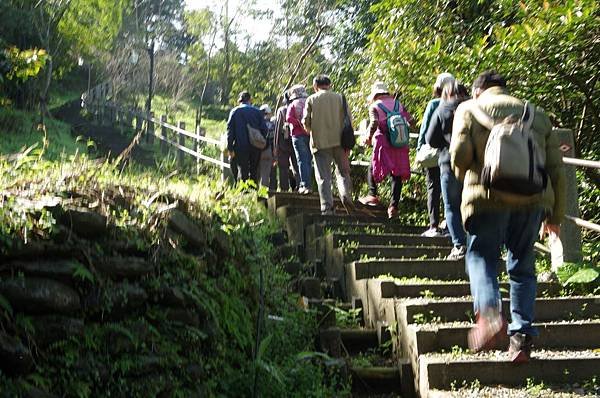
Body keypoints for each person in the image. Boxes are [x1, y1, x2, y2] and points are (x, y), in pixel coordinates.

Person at [450, 70, 566, 362]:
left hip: (486, 200)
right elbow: (557, 170)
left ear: (477, 91)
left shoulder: (468, 109)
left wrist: (465, 172)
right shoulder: (536, 115)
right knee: (523, 267)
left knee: (481, 257)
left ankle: (489, 313)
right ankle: (521, 339)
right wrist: (556, 216)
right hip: (531, 202)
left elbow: (460, 157)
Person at [426, 80, 469, 260]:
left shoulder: (442, 109)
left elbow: (430, 138)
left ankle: (459, 244)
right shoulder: (472, 108)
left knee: (451, 206)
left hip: (448, 163)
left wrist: (445, 141)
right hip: (471, 164)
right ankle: (480, 244)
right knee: (474, 205)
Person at [358, 81, 413, 218]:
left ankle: (372, 195)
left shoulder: (375, 106)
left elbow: (374, 123)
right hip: (399, 143)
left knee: (373, 167)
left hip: (383, 142)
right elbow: (411, 120)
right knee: (397, 174)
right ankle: (394, 206)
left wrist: (368, 136)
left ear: (375, 94)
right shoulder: (398, 104)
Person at [302, 74, 354, 215]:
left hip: (320, 143)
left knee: (323, 176)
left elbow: (306, 121)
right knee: (343, 172)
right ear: (329, 85)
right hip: (340, 142)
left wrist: (311, 130)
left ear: (315, 86)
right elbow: (349, 119)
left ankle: (327, 208)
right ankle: (345, 195)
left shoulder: (311, 99)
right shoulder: (340, 98)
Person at [418, 73, 455, 237]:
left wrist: (420, 149)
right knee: (452, 191)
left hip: (435, 153)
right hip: (454, 154)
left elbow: (425, 130)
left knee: (433, 187)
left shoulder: (434, 104)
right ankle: (450, 226)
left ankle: (434, 226)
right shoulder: (461, 104)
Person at [226, 91, 268, 183]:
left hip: (240, 146)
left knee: (243, 169)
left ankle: (244, 190)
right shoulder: (257, 112)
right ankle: (254, 190)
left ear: (239, 101)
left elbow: (230, 131)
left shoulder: (235, 111)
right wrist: (261, 141)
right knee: (254, 170)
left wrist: (230, 147)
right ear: (250, 100)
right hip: (255, 146)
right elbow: (264, 130)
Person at [287, 84, 313, 194]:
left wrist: (298, 123)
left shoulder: (293, 104)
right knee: (310, 160)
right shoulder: (309, 102)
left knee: (302, 160)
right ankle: (311, 185)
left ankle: (305, 185)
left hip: (298, 135)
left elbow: (288, 118)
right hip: (311, 134)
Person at [274, 92, 299, 191]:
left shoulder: (282, 110)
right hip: (296, 139)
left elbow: (277, 129)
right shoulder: (298, 108)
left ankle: (284, 189)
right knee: (297, 165)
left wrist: (275, 146)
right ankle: (299, 186)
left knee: (283, 168)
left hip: (283, 144)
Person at [258, 104, 275, 188]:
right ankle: (264, 194)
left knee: (256, 173)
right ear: (268, 113)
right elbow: (273, 139)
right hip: (268, 150)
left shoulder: (257, 123)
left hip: (257, 151)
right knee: (265, 175)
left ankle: (254, 193)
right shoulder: (272, 125)